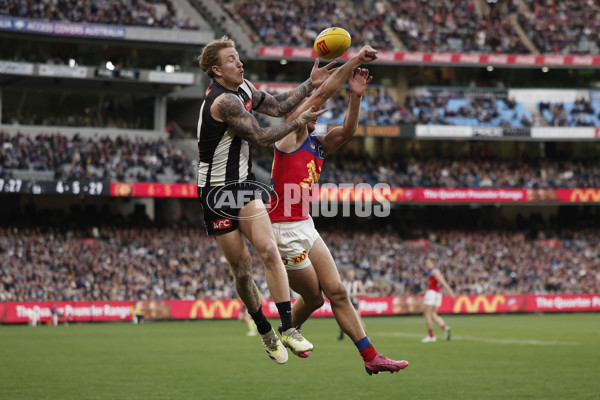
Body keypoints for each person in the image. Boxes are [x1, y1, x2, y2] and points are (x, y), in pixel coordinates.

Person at [268, 45, 409, 375]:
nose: (316, 110)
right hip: (282, 229)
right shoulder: (292, 132)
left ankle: (371, 357)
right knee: (315, 298)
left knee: (339, 293)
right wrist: (356, 59)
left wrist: (356, 97)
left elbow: (347, 132)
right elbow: (323, 94)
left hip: (304, 223)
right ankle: (286, 331)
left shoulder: (317, 144)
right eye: (312, 106)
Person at [196, 36, 333, 364]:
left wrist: (309, 84)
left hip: (243, 185)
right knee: (242, 269)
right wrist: (299, 122)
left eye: (239, 57)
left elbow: (278, 105)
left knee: (269, 249)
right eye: (232, 60)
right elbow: (258, 137)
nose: (240, 63)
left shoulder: (243, 88)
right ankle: (264, 329)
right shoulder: (223, 101)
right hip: (215, 193)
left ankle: (288, 328)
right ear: (216, 70)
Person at [421, 256, 455, 343]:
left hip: (432, 294)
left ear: (433, 263)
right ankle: (445, 328)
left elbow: (442, 281)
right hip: (436, 294)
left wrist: (450, 291)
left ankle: (431, 336)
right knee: (433, 314)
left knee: (427, 314)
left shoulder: (434, 271)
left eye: (428, 263)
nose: (426, 264)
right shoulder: (433, 271)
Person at [337, 268, 365, 341]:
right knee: (342, 320)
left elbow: (363, 293)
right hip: (346, 304)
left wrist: (355, 294)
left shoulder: (358, 283)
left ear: (353, 275)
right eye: (348, 274)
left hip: (354, 304)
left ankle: (365, 336)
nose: (349, 276)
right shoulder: (344, 282)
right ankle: (341, 335)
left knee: (358, 320)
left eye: (351, 274)